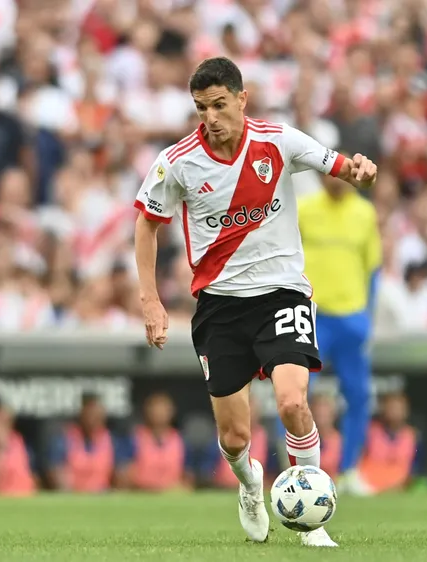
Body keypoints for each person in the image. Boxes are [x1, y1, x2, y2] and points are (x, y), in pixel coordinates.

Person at [133, 56, 378, 547]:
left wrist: (361, 171)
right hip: (219, 306)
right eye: (201, 107)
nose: (211, 117)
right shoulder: (178, 161)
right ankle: (249, 487)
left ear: (242, 99)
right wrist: (151, 301)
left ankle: (314, 520)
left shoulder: (278, 140)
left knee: (292, 402)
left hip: (281, 293)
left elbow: (340, 166)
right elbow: (146, 224)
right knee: (235, 438)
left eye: (219, 104)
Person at [298, 172, 380, 491]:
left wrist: (367, 315)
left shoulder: (365, 213)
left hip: (351, 317)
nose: (339, 180)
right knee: (295, 395)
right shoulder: (304, 210)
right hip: (312, 314)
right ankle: (298, 471)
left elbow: (372, 267)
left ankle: (349, 470)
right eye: (333, 174)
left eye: (345, 175)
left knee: (358, 396)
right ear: (321, 177)